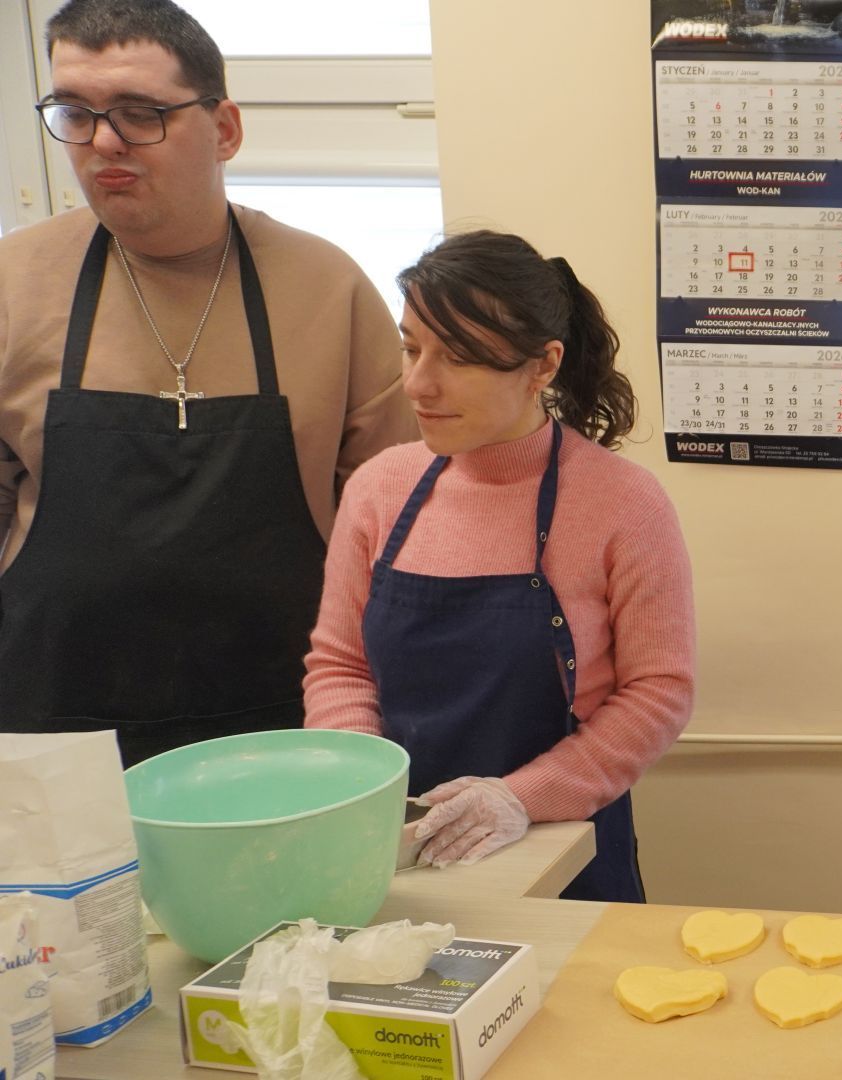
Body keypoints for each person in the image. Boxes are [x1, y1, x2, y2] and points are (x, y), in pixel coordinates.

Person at [0, 0, 416, 764]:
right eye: (75, 113)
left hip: (284, 721)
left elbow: (391, 521)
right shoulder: (12, 283)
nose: (104, 141)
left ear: (223, 128)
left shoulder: (327, 288)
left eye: (139, 112)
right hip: (52, 729)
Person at [304, 231, 695, 903]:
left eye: (457, 357)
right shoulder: (378, 488)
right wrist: (367, 793)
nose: (417, 383)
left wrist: (517, 799)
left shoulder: (624, 503)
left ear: (542, 366)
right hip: (396, 855)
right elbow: (341, 666)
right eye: (410, 347)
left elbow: (657, 692)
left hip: (559, 852)